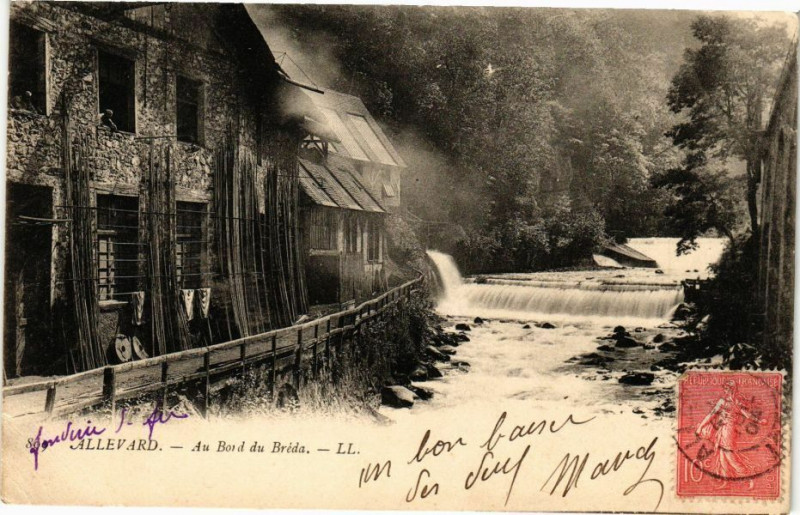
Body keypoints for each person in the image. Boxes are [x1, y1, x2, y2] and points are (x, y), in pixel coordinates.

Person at [695, 379, 767, 482]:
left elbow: (747, 415)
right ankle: (725, 478)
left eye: (727, 389)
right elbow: (711, 415)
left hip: (728, 431)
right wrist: (700, 426)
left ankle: (744, 473)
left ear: (732, 390)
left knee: (728, 453)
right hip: (723, 429)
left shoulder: (732, 402)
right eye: (725, 389)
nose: (725, 391)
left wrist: (759, 421)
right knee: (722, 454)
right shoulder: (728, 402)